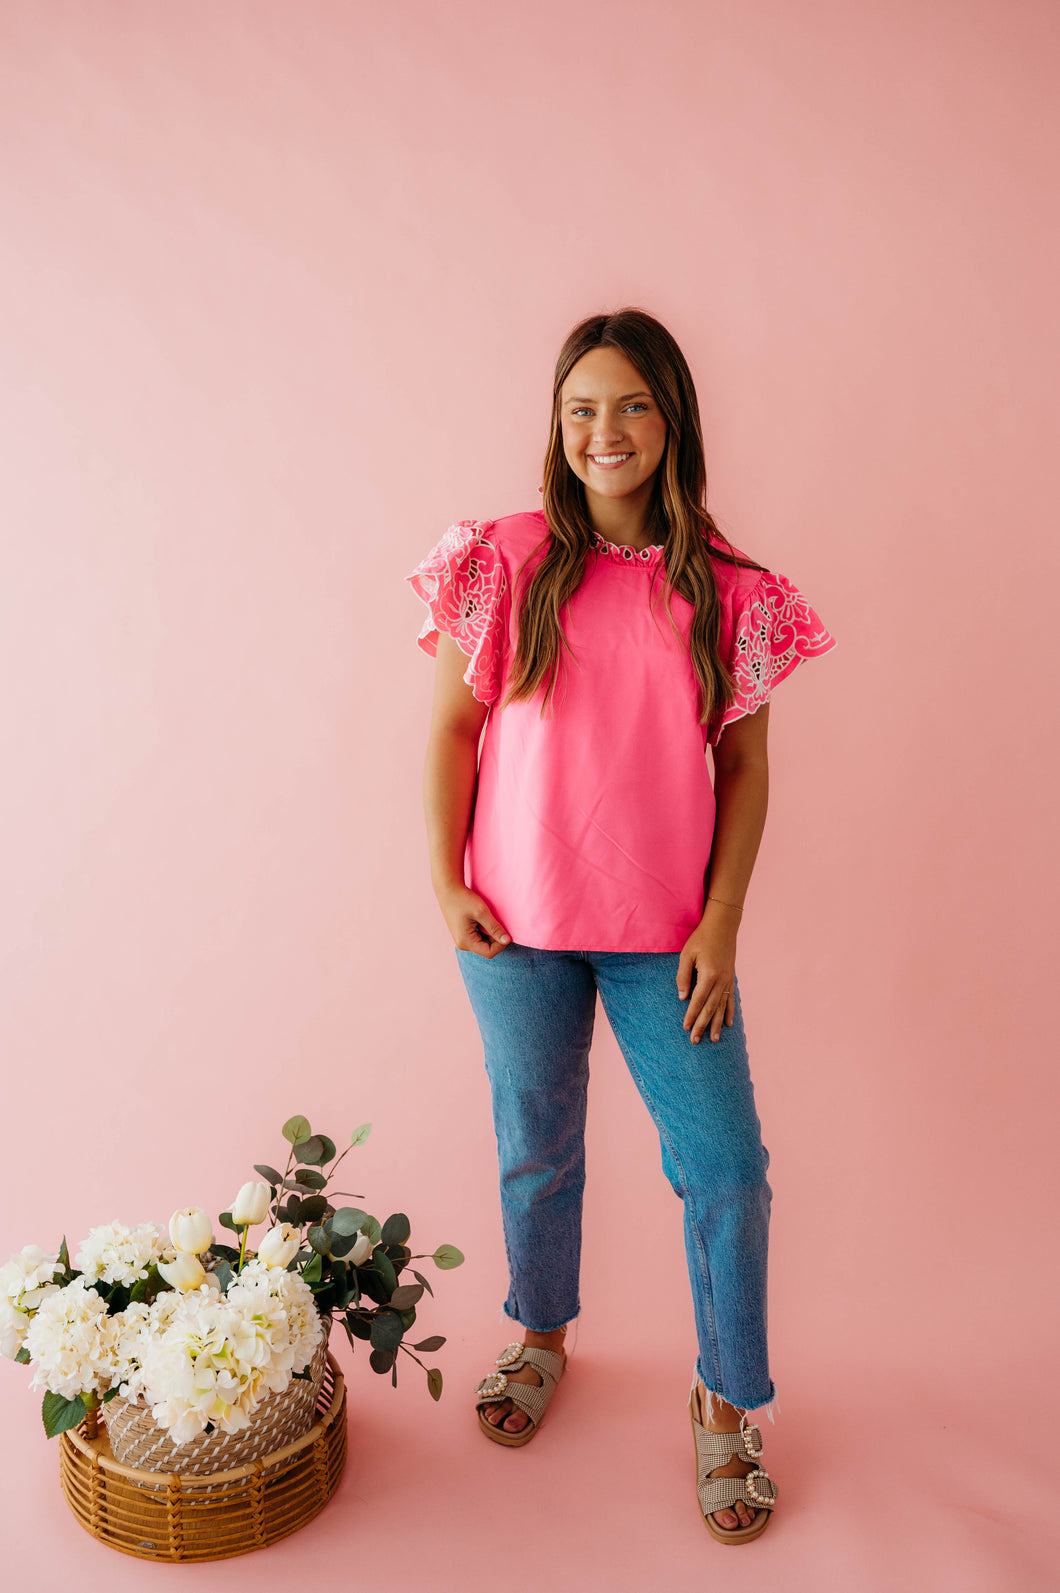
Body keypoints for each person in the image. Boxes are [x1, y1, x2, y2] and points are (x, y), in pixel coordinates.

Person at [403, 308, 836, 1545]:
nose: (607, 430)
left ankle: (728, 1402)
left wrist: (723, 921)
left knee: (726, 1172)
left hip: (666, 936)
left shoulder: (732, 591)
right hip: (513, 927)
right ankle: (540, 1331)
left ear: (672, 421)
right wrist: (446, 884)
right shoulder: (501, 558)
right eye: (584, 405)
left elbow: (744, 770)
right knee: (534, 1145)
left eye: (634, 405)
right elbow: (448, 732)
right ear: (557, 418)